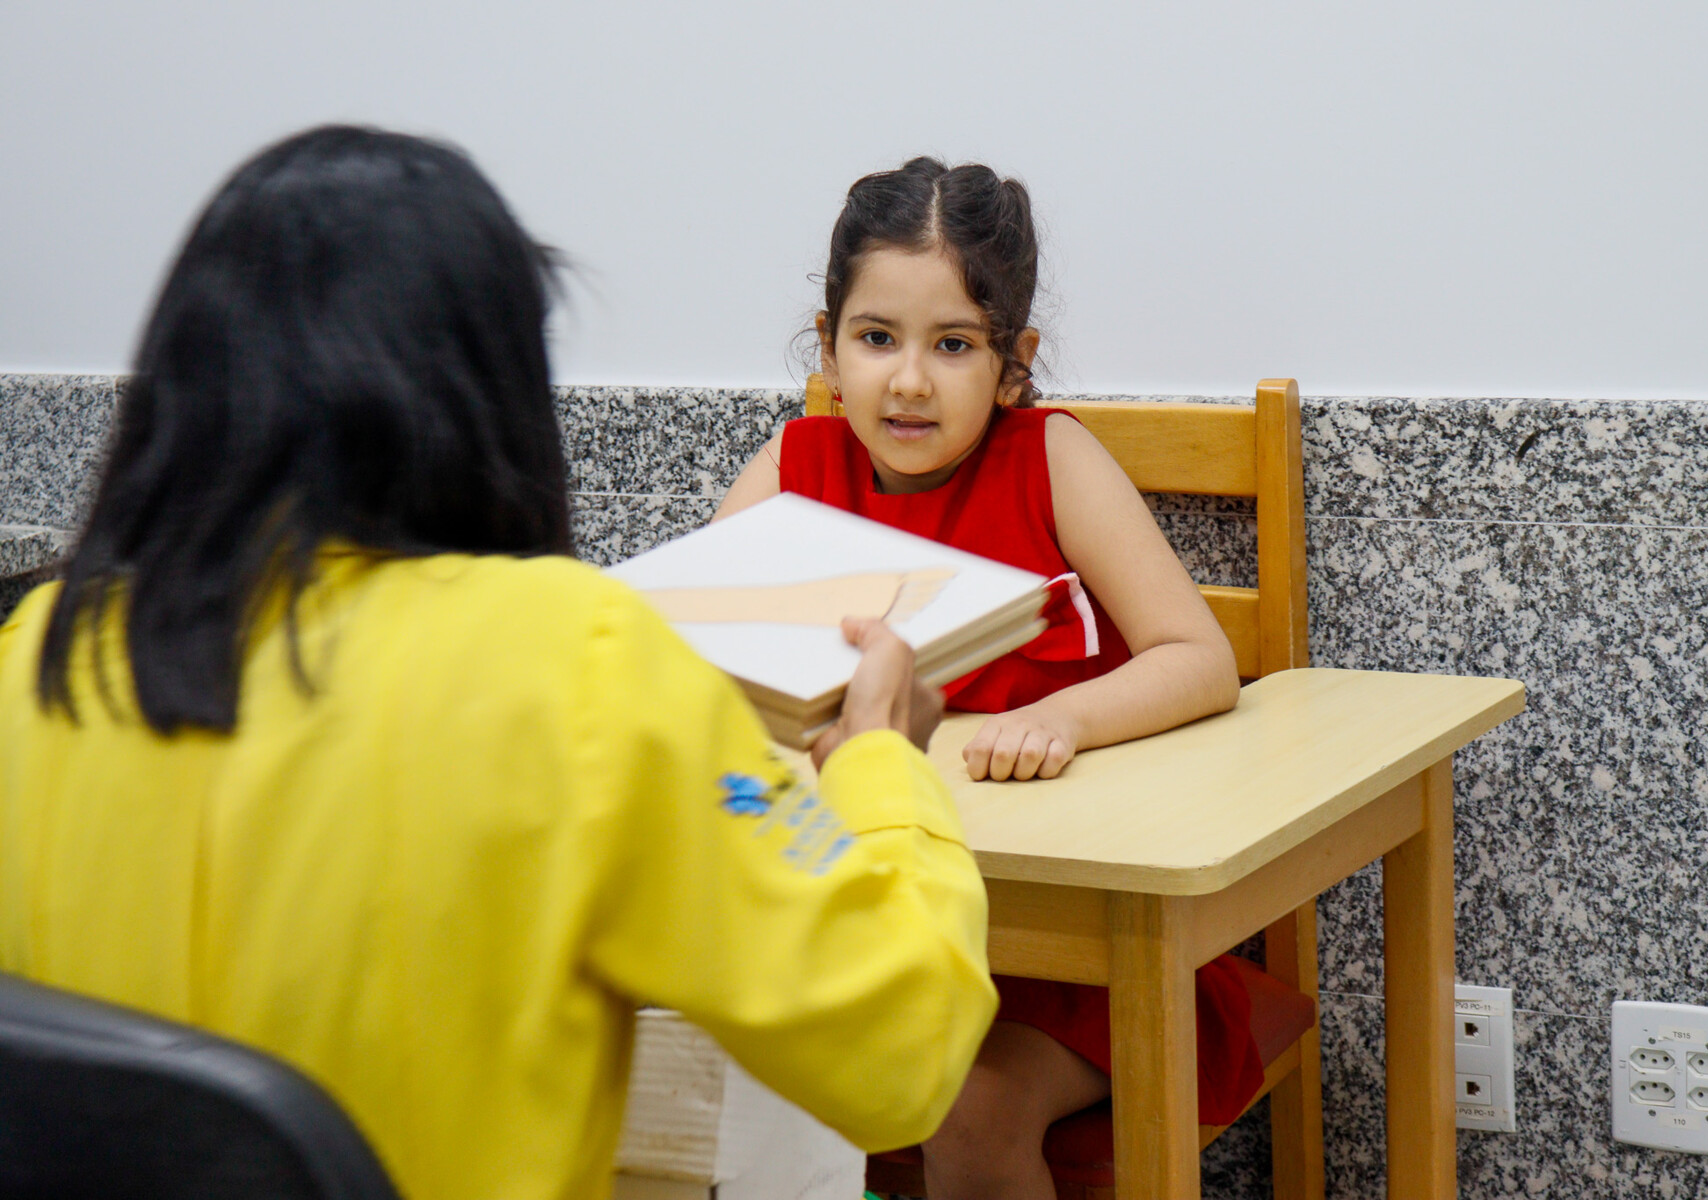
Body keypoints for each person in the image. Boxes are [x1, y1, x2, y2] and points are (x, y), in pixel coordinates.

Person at [0, 127, 997, 1200]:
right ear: (492, 380)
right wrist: (881, 765)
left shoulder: (35, 655)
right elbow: (901, 1052)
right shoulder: (580, 670)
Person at [713, 157, 1252, 1200]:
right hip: (879, 925)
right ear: (826, 347)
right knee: (725, 1061)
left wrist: (1067, 718)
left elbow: (1201, 659)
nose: (909, 380)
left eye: (953, 345)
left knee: (969, 1103)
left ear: (1013, 363)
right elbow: (686, 658)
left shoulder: (1049, 458)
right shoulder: (792, 471)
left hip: (1078, 957)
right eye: (877, 340)